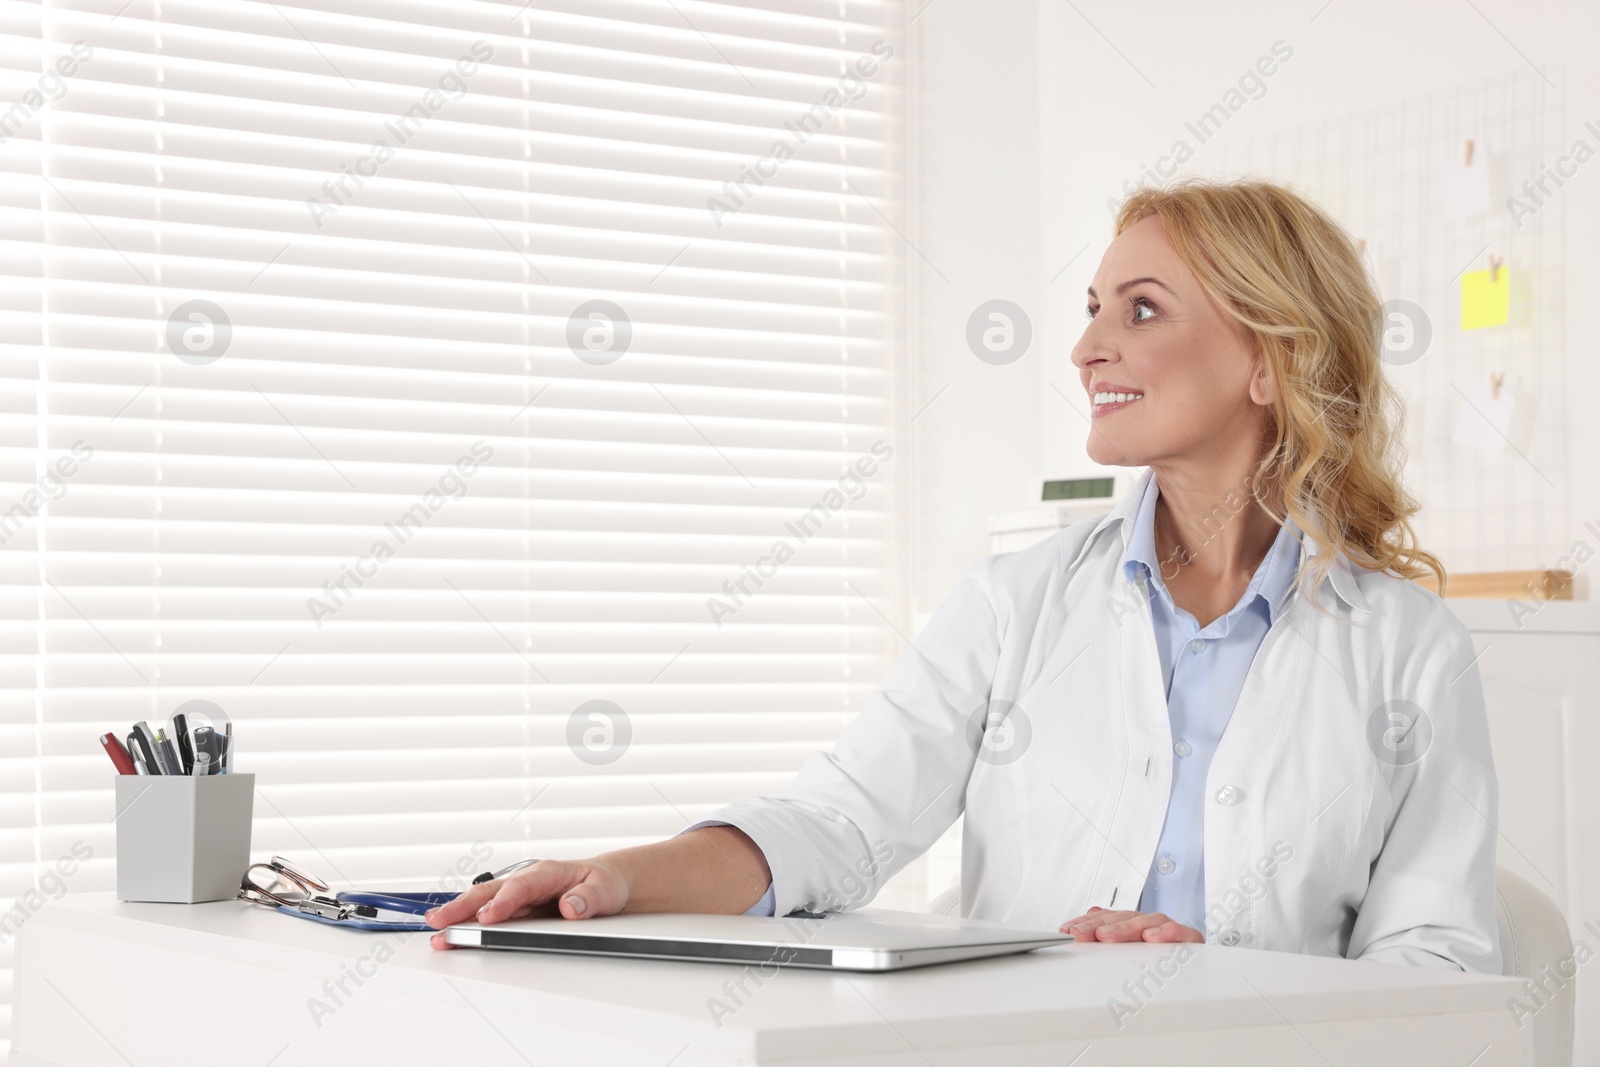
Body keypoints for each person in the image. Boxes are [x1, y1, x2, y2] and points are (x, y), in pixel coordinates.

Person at [427, 178, 1501, 973]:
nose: (1085, 347)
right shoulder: (1014, 604)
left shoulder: (1405, 646)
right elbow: (840, 824)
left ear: (1269, 359)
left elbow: (1440, 965)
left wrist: (1218, 973)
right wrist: (620, 876)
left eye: (1139, 309)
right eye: (1090, 306)